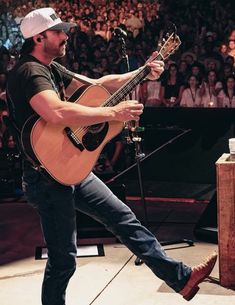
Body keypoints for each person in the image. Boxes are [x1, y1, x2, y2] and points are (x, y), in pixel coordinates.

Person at [7, 7, 217, 305]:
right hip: (46, 178)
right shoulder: (29, 71)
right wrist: (113, 112)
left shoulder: (51, 66)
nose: (65, 36)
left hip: (69, 164)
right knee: (64, 259)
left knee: (123, 219)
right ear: (39, 38)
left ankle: (182, 279)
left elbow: (99, 84)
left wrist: (143, 71)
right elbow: (54, 112)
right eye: (58, 32)